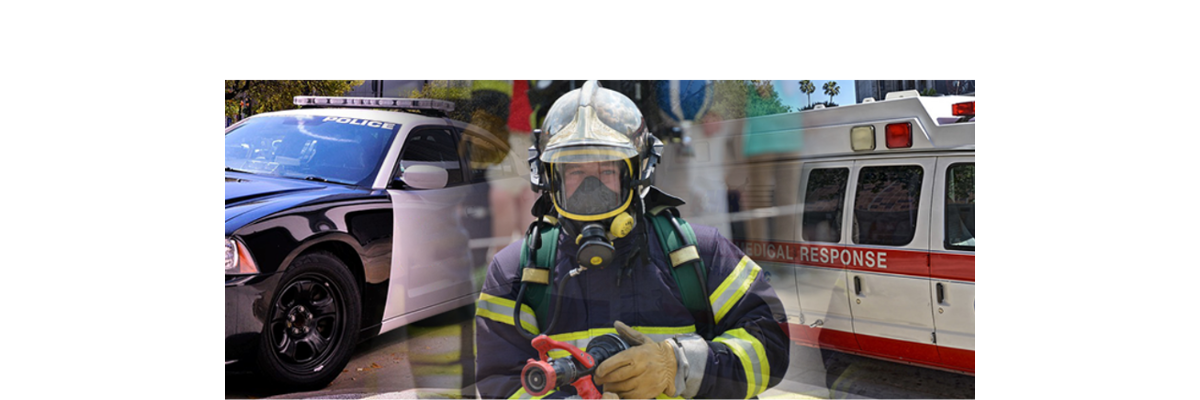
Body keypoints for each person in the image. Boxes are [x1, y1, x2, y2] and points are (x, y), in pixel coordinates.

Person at [475, 80, 789, 399]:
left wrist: (678, 365)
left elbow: (770, 345)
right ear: (549, 180)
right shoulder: (516, 272)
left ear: (638, 173)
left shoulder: (702, 253)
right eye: (575, 172)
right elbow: (499, 382)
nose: (590, 189)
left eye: (607, 170)